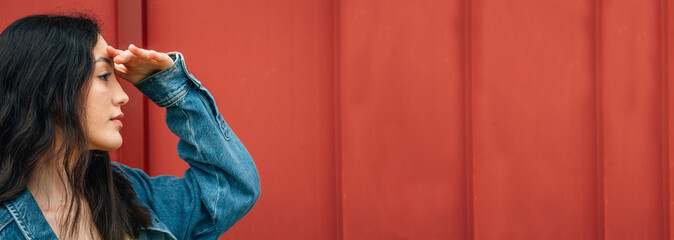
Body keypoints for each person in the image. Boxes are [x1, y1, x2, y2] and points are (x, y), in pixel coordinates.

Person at [0, 14, 261, 240]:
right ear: (47, 88)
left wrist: (170, 87)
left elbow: (230, 188)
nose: (123, 96)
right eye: (104, 76)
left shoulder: (130, 195)